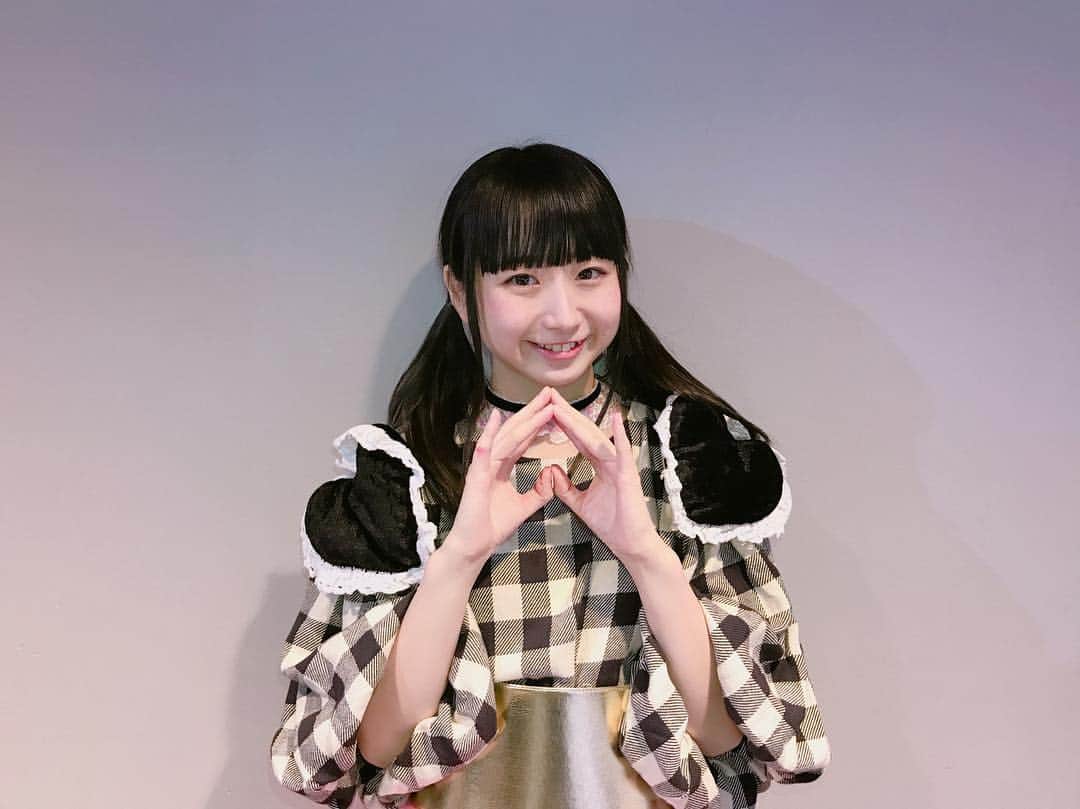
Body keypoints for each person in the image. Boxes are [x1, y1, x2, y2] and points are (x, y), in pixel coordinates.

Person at [269, 142, 831, 809]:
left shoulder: (689, 462)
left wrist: (646, 552)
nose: (563, 315)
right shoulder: (410, 478)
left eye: (589, 272)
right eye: (522, 280)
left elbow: (726, 739)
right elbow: (373, 749)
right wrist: (460, 555)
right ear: (460, 290)